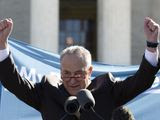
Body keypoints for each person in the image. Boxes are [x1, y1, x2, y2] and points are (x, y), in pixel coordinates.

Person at [0, 17, 159, 120]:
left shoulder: (107, 89)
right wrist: (2, 46)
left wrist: (152, 46)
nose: (71, 80)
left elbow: (141, 81)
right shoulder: (47, 92)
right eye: (66, 74)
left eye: (78, 74)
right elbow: (13, 81)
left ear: (89, 71)